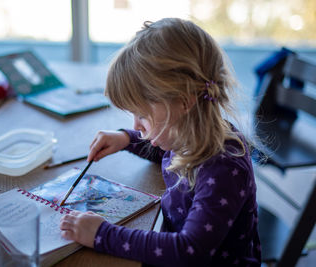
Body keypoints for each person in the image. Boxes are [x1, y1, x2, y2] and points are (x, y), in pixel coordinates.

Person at [59, 18, 261, 266]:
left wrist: (101, 234)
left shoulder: (223, 167)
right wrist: (125, 138)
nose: (136, 125)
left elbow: (189, 251)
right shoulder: (189, 134)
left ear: (184, 102)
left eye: (142, 115)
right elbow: (164, 151)